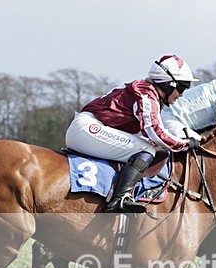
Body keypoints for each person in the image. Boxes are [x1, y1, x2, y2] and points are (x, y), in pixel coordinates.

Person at [65, 55, 199, 213]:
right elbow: (155, 132)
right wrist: (184, 144)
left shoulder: (147, 92)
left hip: (87, 128)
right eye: (182, 88)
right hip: (87, 129)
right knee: (146, 150)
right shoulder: (147, 94)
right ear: (169, 84)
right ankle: (120, 198)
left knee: (148, 147)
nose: (181, 94)